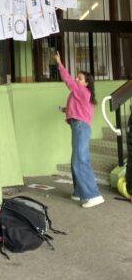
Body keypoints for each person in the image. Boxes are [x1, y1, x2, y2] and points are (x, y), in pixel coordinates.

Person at [55, 51, 104, 208]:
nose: (76, 79)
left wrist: (60, 64)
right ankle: (78, 192)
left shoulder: (82, 91)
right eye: (77, 77)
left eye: (80, 78)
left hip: (80, 127)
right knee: (76, 159)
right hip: (79, 127)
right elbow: (79, 110)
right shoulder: (83, 94)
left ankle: (93, 195)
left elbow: (68, 80)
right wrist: (65, 109)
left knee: (80, 160)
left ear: (86, 83)